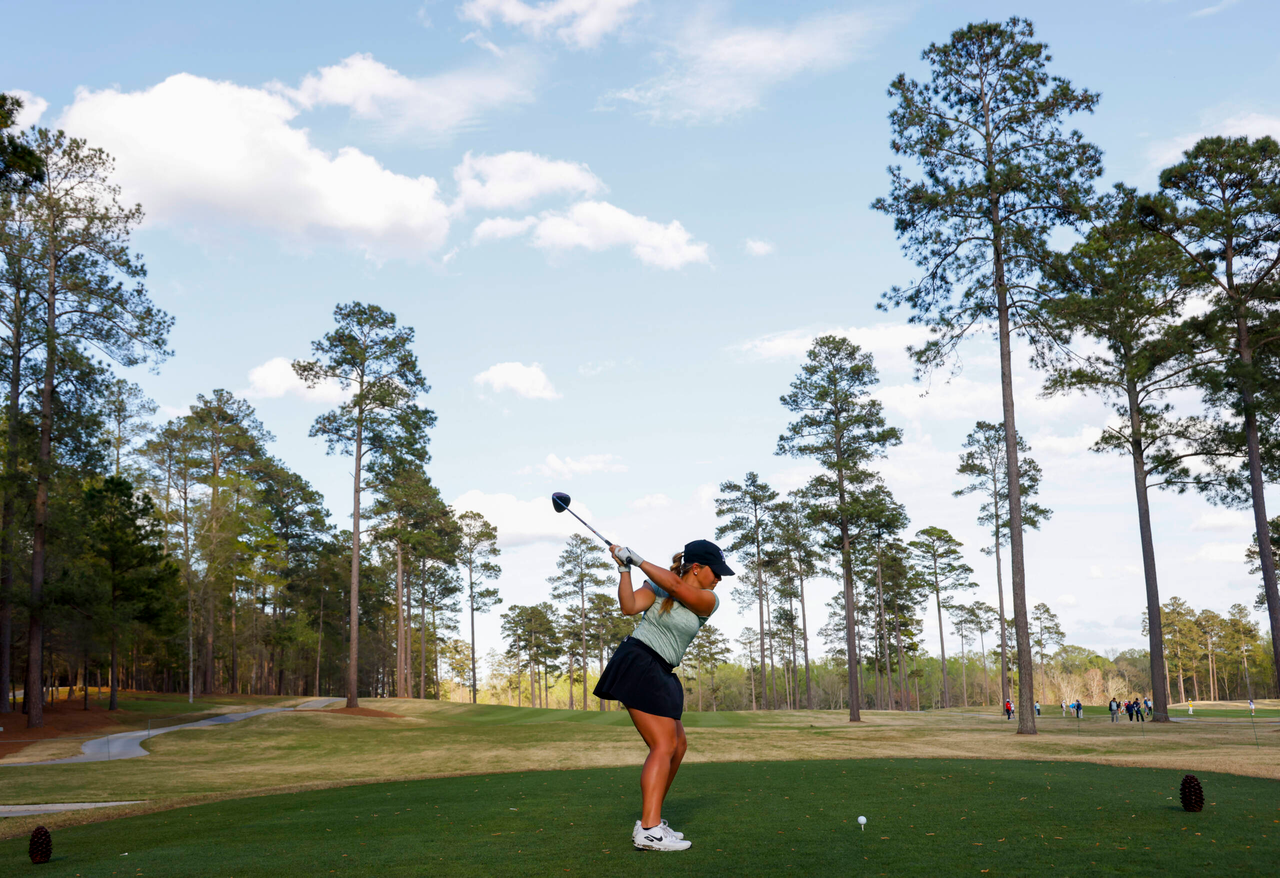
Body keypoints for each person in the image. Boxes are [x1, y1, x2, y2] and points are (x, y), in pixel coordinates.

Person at [594, 539, 733, 852]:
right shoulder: (657, 587)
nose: (719, 578)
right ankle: (649, 829)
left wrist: (639, 560)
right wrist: (624, 569)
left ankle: (651, 820)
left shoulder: (708, 599)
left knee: (678, 746)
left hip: (662, 671)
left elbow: (674, 585)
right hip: (639, 661)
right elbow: (629, 606)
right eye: (716, 571)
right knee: (664, 744)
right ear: (696, 568)